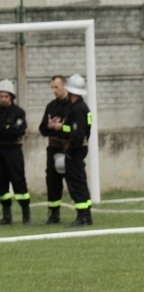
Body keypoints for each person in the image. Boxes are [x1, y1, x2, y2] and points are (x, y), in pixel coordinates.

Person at [52, 74, 93, 227]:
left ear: (72, 92)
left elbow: (77, 133)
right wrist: (62, 127)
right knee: (81, 182)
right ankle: (87, 215)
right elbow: (78, 129)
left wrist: (70, 150)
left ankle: (82, 217)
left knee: (76, 184)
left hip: (75, 150)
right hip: (81, 148)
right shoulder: (82, 107)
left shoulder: (77, 109)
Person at [0, 79, 31, 225]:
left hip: (13, 150)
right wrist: (5, 127)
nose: (3, 99)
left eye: (6, 96)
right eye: (1, 96)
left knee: (18, 181)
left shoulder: (19, 113)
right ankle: (7, 215)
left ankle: (26, 213)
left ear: (12, 97)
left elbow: (17, 131)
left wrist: (0, 128)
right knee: (1, 182)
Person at [37, 75, 71, 224]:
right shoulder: (51, 106)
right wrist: (49, 126)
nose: (54, 90)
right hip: (53, 147)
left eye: (56, 87)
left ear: (64, 86)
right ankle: (54, 214)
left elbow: (78, 129)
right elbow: (42, 129)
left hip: (69, 148)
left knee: (74, 180)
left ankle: (82, 213)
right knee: (52, 181)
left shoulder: (73, 106)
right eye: (52, 87)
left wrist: (62, 126)